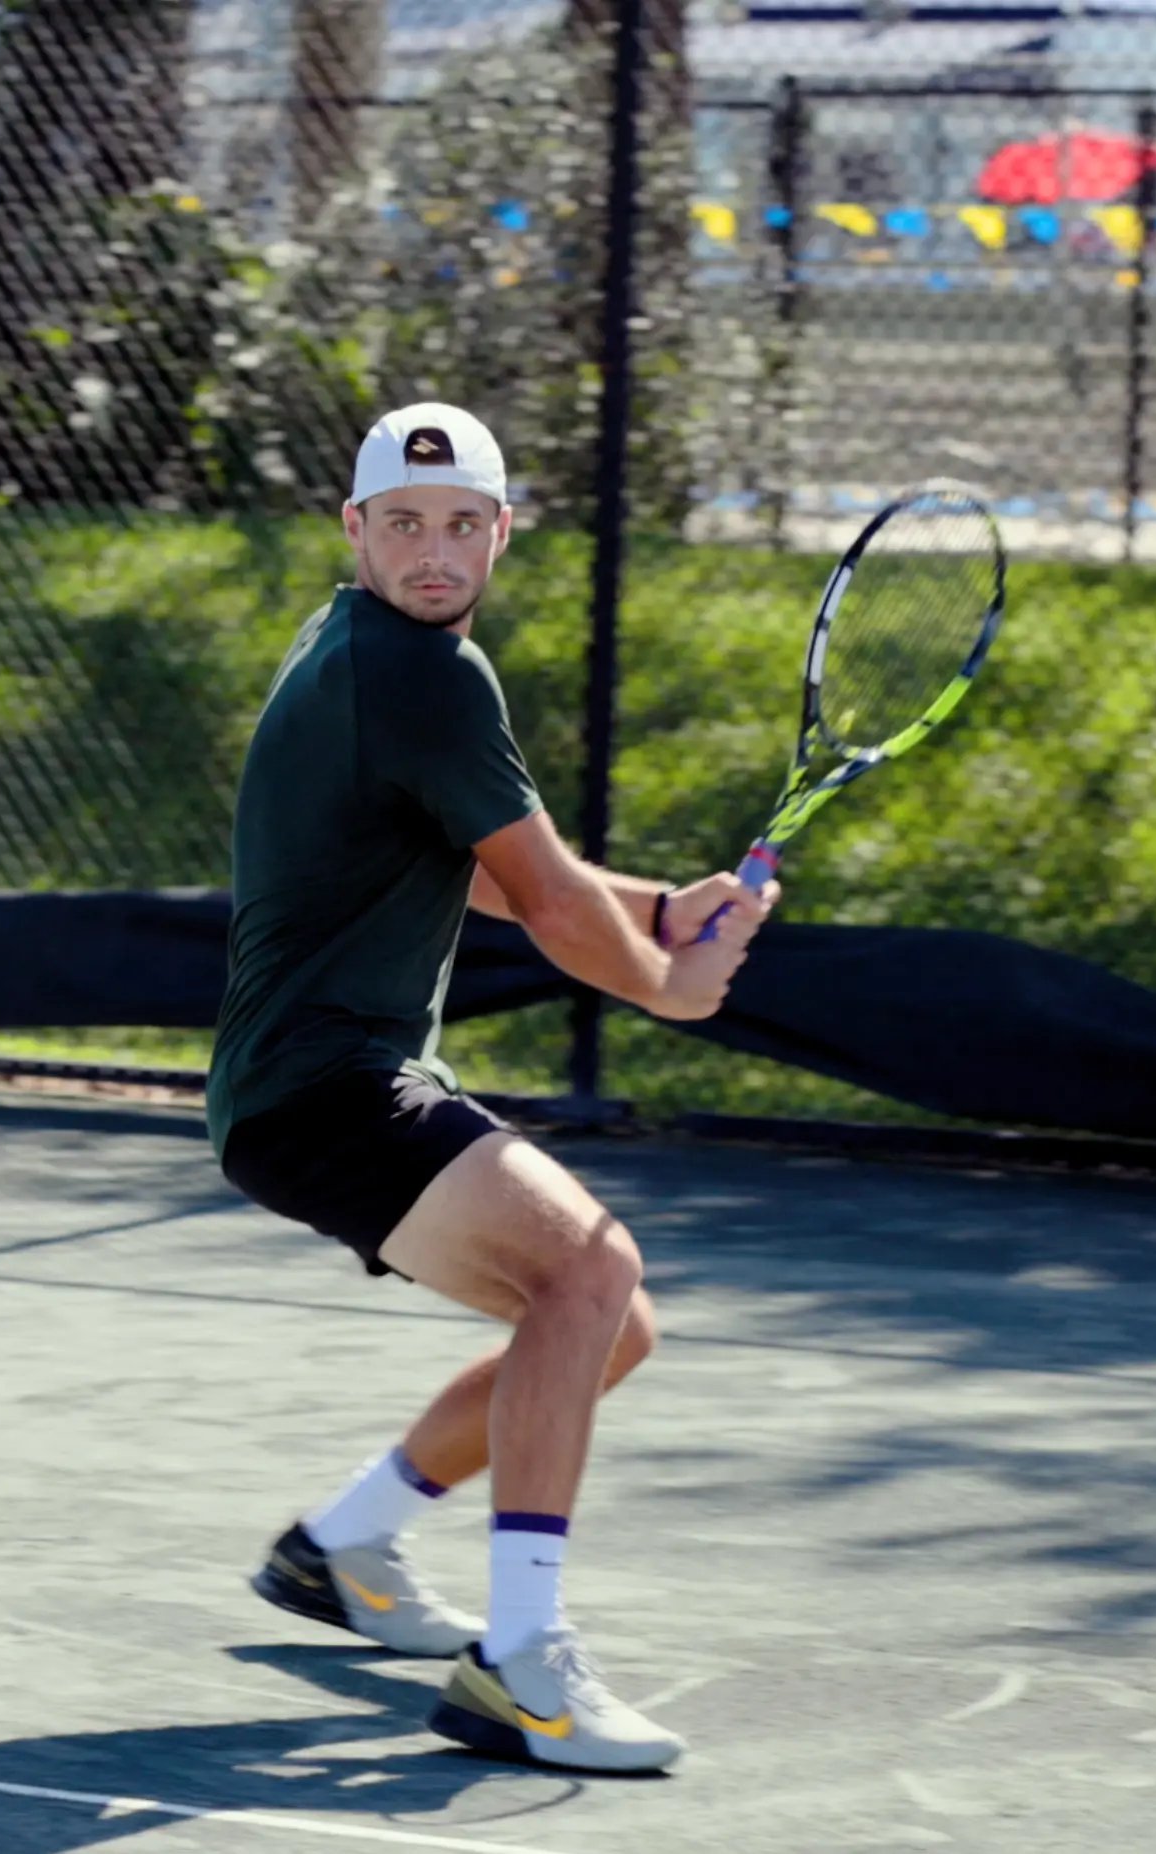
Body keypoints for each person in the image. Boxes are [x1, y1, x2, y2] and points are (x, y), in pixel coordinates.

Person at [207, 403, 776, 1773]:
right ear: (355, 531)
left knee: (604, 1320)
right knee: (589, 1266)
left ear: (502, 531)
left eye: (462, 523)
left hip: (303, 1087)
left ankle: (340, 1544)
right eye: (403, 524)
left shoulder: (358, 648)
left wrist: (655, 901)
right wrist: (664, 980)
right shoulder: (422, 671)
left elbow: (469, 858)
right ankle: (522, 1667)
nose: (435, 550)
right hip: (325, 1081)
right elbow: (539, 893)